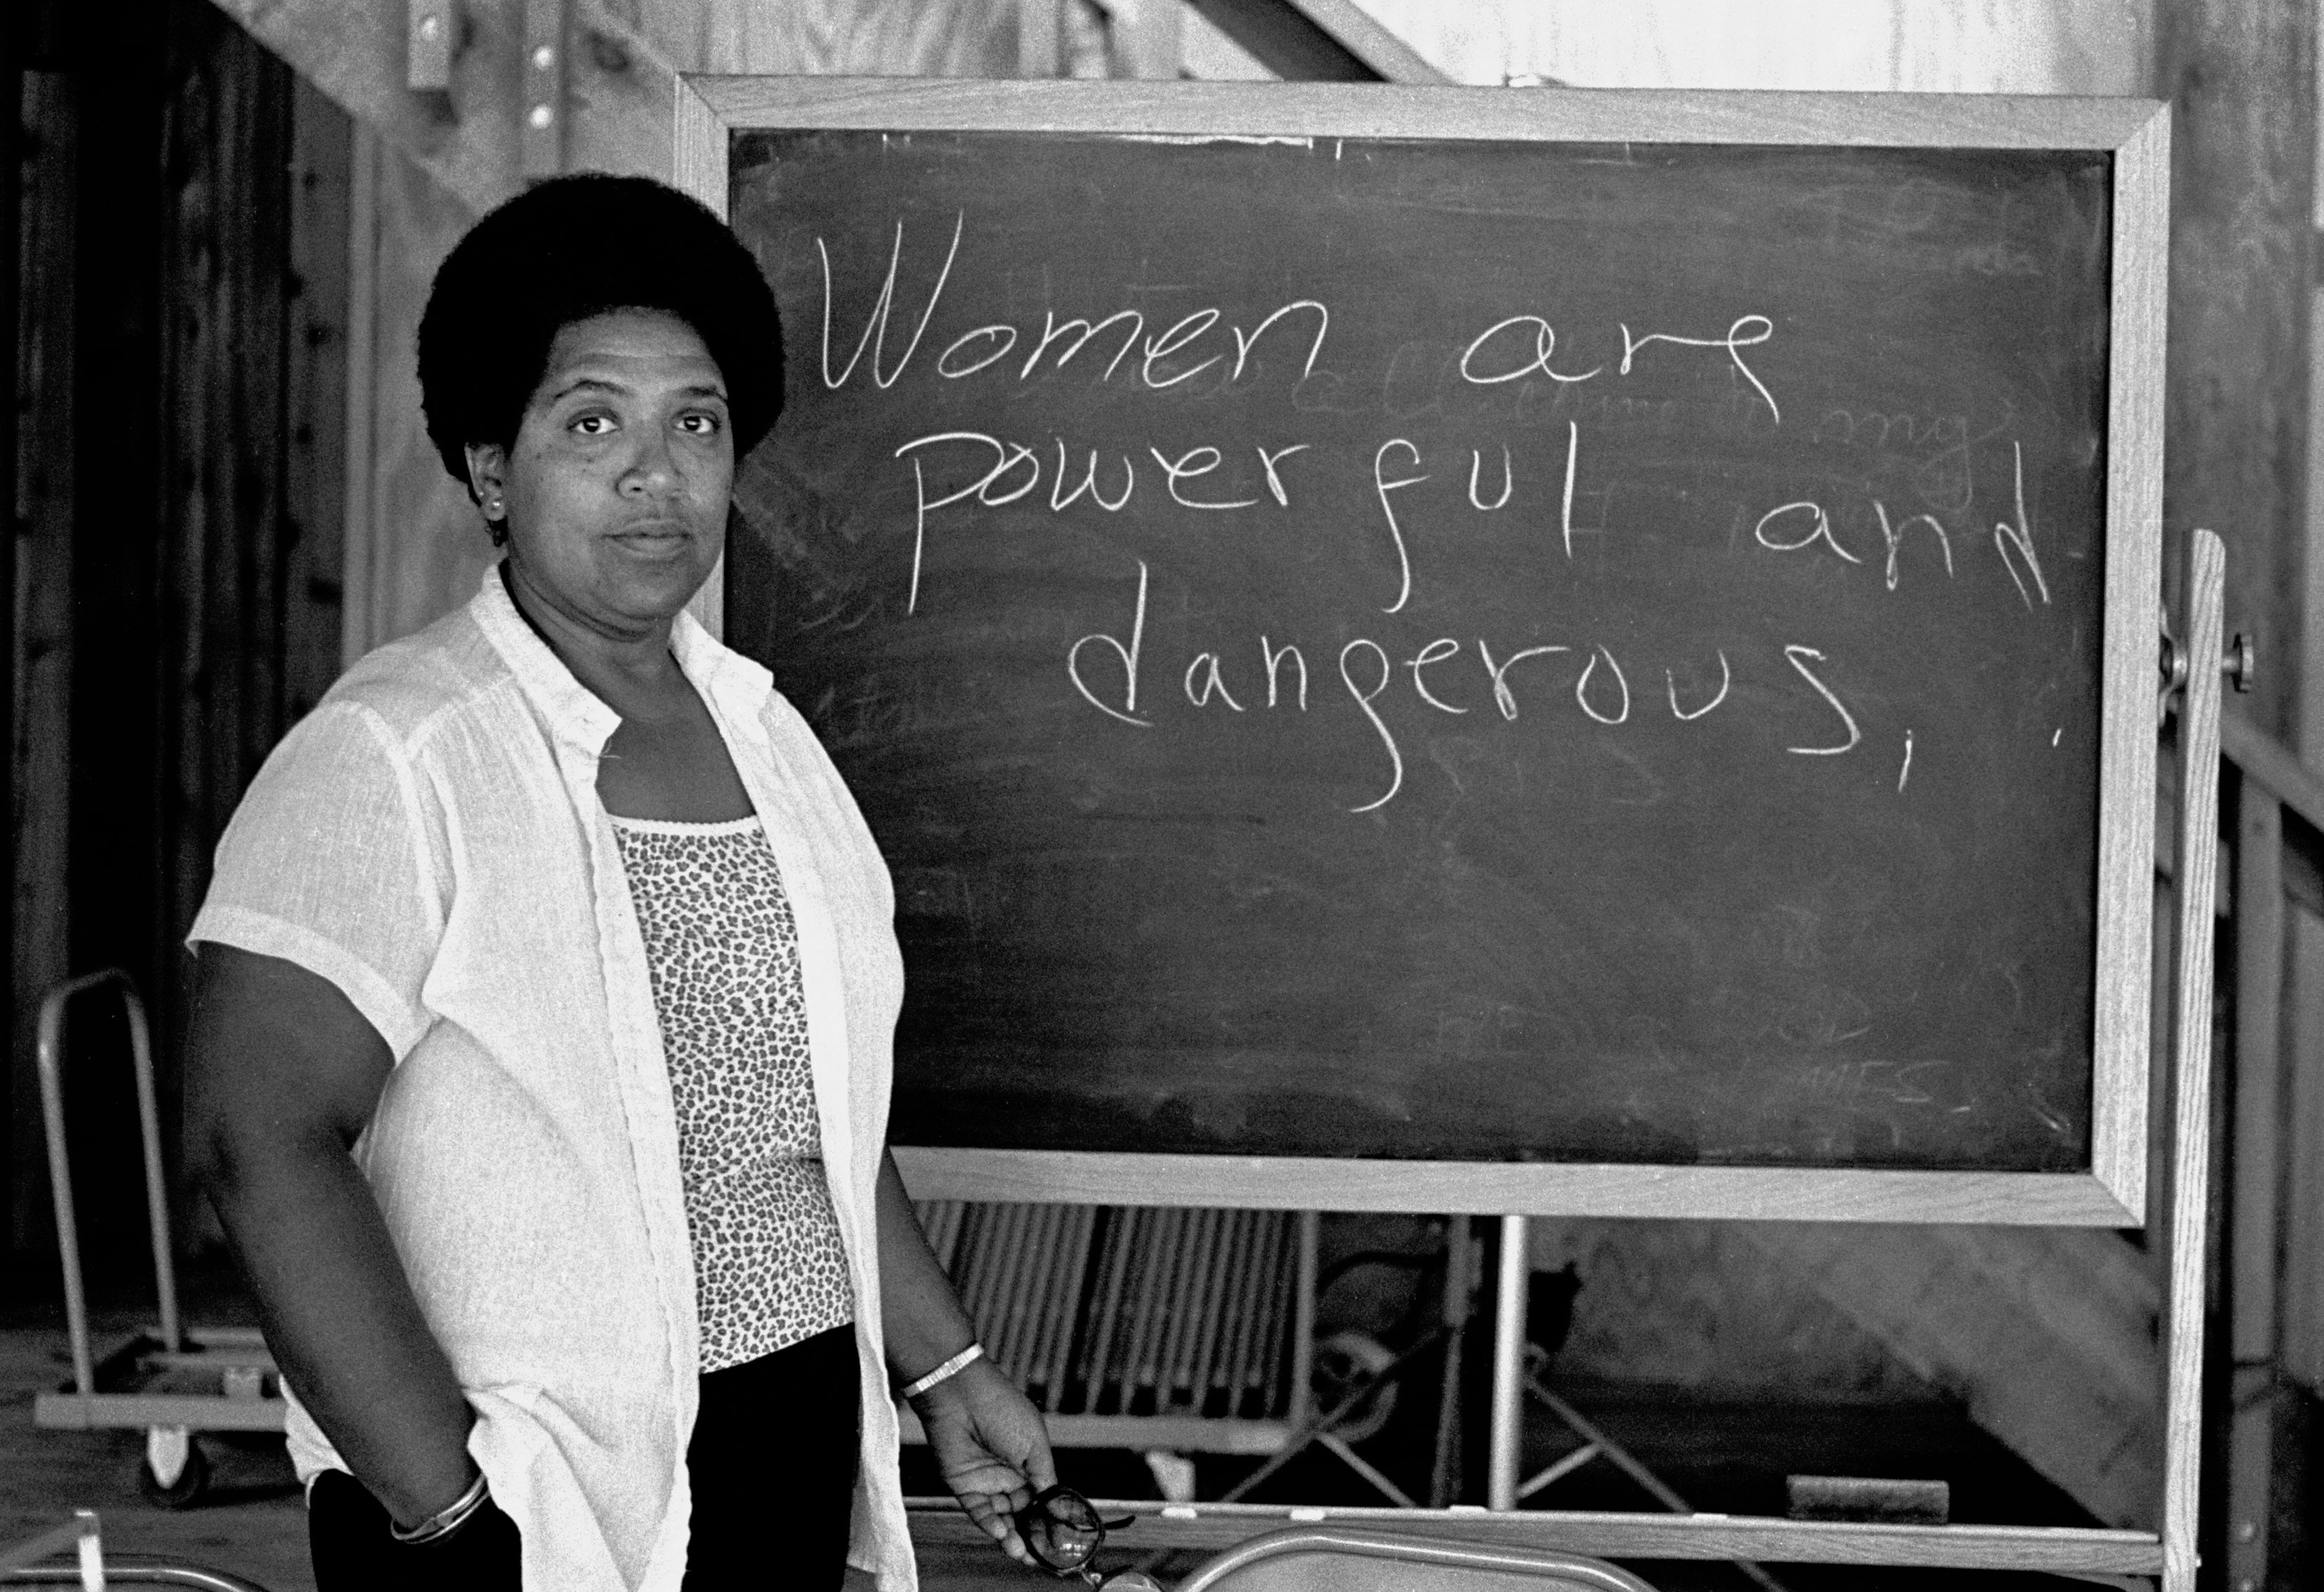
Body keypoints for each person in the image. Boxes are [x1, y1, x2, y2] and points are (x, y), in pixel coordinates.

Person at [184, 173, 1055, 1592]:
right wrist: (445, 1510)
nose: (657, 474)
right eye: (592, 422)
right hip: (529, 1493)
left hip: (781, 1445)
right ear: (490, 468)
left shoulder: (768, 738)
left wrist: (946, 1366)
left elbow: (815, 1118)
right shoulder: (399, 751)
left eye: (694, 422)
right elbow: (257, 1137)